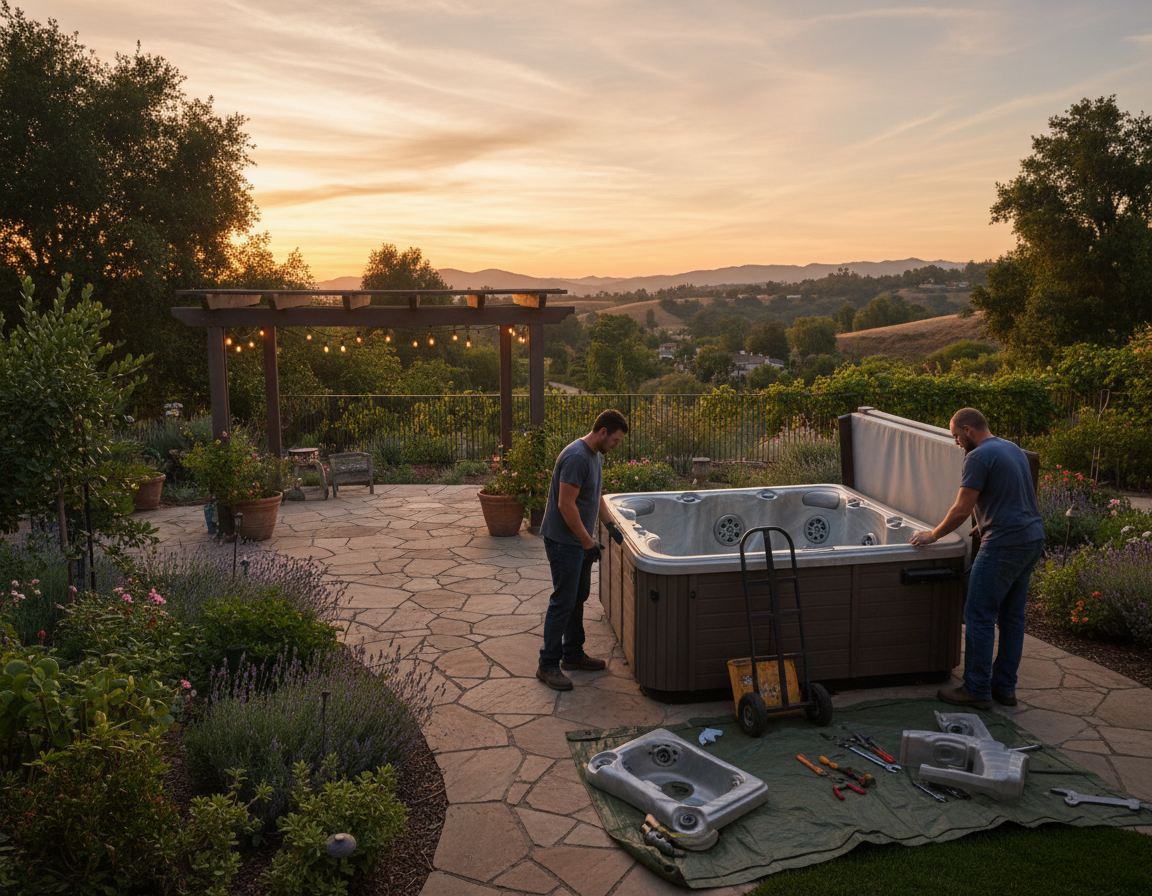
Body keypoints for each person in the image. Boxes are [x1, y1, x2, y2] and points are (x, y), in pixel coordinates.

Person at [910, 408, 1044, 710]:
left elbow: (961, 507)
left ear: (968, 430)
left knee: (978, 614)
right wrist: (983, 522)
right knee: (1012, 617)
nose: (957, 442)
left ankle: (976, 689)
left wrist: (934, 535)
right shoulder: (1011, 448)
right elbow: (1014, 494)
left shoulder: (978, 456)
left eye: (956, 436)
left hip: (1004, 544)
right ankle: (1004, 688)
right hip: (1032, 538)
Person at [536, 409, 629, 691]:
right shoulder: (577, 457)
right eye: (615, 440)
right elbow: (565, 504)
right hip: (563, 542)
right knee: (563, 601)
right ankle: (547, 664)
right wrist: (587, 542)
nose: (616, 445)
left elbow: (594, 494)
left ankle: (573, 653)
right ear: (603, 432)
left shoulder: (595, 455)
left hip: (579, 540)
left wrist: (610, 526)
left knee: (578, 597)